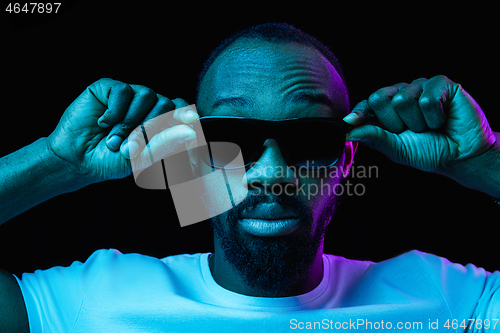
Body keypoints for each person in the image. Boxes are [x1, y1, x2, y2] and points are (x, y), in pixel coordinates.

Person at [0, 22, 499, 332]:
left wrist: (483, 160)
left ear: (345, 163)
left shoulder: (445, 302)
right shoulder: (89, 303)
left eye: (310, 139)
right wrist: (57, 163)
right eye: (232, 139)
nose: (272, 173)